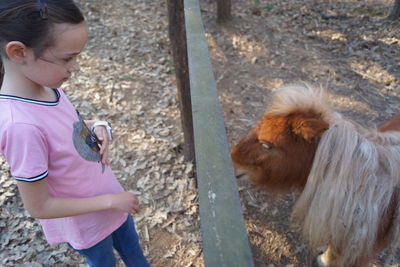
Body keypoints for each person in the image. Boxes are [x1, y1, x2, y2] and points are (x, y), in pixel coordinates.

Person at [0, 1, 150, 266]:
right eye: (67, 58)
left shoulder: (47, 88)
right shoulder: (20, 127)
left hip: (112, 205)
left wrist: (100, 125)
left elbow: (67, 128)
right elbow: (39, 206)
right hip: (89, 225)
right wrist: (111, 201)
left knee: (134, 254)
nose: (76, 67)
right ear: (18, 52)